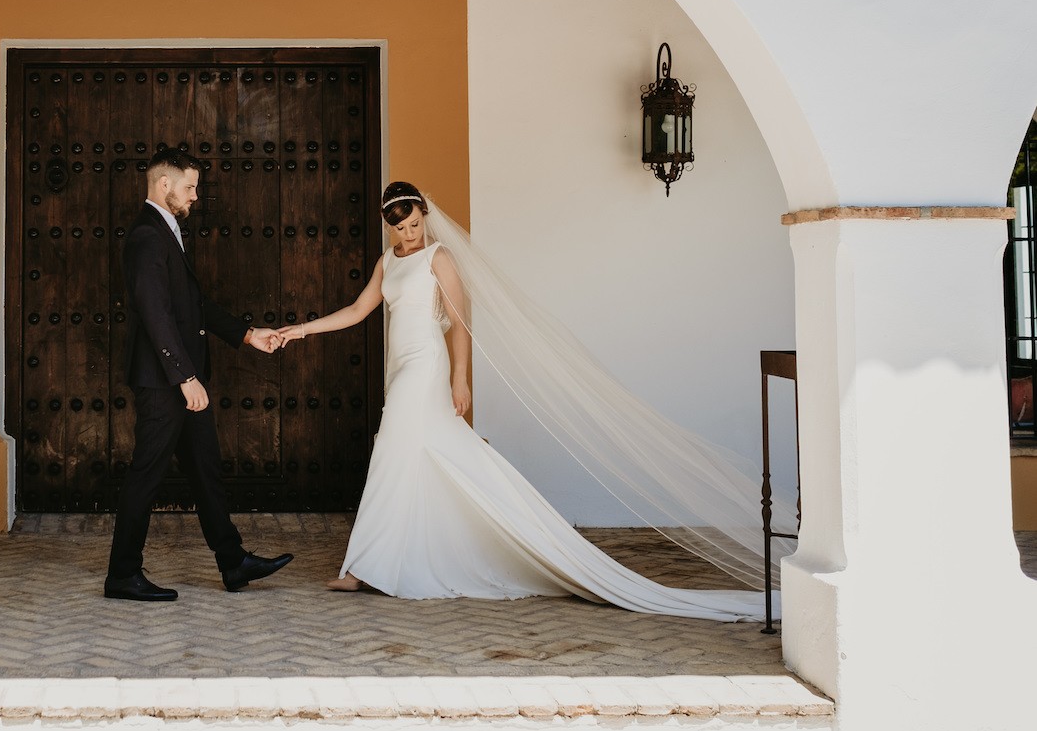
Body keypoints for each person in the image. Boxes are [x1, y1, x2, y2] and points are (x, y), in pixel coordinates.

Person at [276, 181, 774, 621]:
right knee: (425, 460)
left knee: (389, 454)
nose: (409, 235)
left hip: (426, 367)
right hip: (400, 366)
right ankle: (397, 560)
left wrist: (461, 379)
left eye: (412, 224)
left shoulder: (439, 258)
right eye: (399, 229)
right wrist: (300, 330)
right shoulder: (389, 262)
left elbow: (461, 323)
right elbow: (359, 310)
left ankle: (365, 570)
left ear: (424, 213)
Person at [103, 147, 295, 602]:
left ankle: (233, 562)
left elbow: (193, 307)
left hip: (182, 380)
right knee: (146, 474)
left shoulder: (166, 232)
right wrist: (184, 377)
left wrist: (248, 334)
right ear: (164, 184)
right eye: (189, 187)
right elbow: (156, 314)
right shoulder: (148, 236)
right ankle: (122, 574)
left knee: (205, 469)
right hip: (166, 382)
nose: (195, 196)